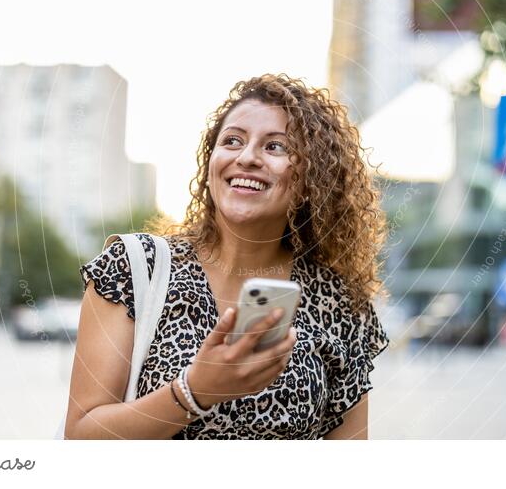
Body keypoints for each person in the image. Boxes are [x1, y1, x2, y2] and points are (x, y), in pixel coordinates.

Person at [65, 73, 390, 439]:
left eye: (276, 147)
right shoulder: (134, 268)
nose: (247, 158)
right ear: (210, 165)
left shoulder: (339, 303)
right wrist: (194, 392)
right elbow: (80, 438)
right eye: (232, 140)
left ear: (311, 179)